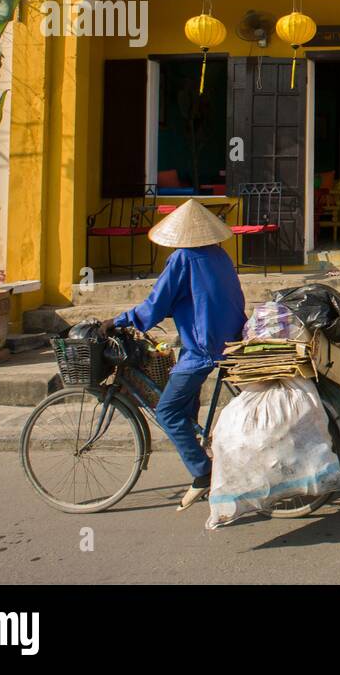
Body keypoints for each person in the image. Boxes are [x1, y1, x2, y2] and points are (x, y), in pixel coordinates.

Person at [103, 200, 246, 511]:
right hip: (225, 337)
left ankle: (202, 473)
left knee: (167, 412)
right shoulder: (218, 255)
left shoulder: (182, 258)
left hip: (203, 348)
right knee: (185, 405)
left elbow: (155, 305)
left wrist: (117, 321)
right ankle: (201, 455)